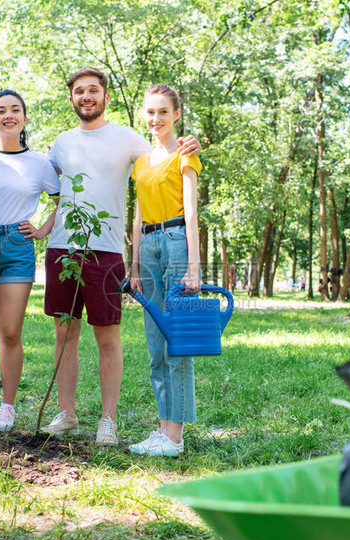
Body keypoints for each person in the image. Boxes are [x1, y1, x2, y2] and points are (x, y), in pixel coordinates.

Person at [38, 67, 200, 446]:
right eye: (79, 91)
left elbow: (163, 163)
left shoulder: (129, 139)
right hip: (64, 249)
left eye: (93, 90)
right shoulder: (61, 143)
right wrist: (45, 228)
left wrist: (188, 144)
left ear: (105, 96)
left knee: (107, 336)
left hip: (107, 251)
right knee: (65, 332)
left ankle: (108, 421)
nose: (86, 96)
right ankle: (67, 413)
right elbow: (55, 192)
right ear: (72, 98)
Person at [0, 89, 60, 431]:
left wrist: (42, 231)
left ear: (23, 118)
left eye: (15, 110)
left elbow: (61, 200)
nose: (9, 115)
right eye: (1, 110)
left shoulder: (39, 163)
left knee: (9, 332)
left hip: (16, 247)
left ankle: (7, 407)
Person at [128, 85, 202, 457]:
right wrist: (134, 264)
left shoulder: (184, 156)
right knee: (156, 343)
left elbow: (191, 212)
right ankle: (161, 429)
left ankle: (176, 435)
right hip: (149, 246)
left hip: (175, 242)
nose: (155, 119)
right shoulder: (141, 162)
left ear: (176, 115)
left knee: (179, 342)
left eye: (162, 112)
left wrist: (193, 265)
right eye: (150, 112)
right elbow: (139, 215)